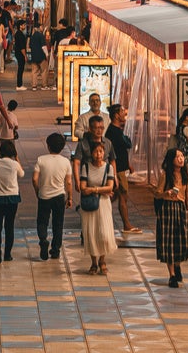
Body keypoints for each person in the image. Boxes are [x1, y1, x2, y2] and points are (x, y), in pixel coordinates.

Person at [154, 145, 188, 288]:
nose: (181, 159)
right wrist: (166, 194)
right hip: (167, 209)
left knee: (183, 241)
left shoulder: (187, 175)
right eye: (178, 156)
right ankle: (172, 275)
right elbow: (157, 194)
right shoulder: (165, 175)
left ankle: (177, 265)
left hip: (180, 209)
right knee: (169, 242)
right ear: (171, 159)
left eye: (182, 156)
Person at [77, 139, 117, 275]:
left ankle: (102, 260)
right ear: (91, 153)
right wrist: (102, 189)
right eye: (96, 151)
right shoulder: (86, 167)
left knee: (104, 234)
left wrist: (94, 189)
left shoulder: (108, 168)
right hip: (90, 206)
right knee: (91, 233)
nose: (99, 154)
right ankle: (94, 262)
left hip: (104, 204)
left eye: (101, 151)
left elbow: (110, 187)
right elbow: (83, 187)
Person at [33, 131, 72, 262]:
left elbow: (34, 179)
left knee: (42, 221)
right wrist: (70, 197)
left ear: (48, 146)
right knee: (58, 223)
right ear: (62, 147)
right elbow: (69, 182)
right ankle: (55, 249)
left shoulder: (41, 159)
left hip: (44, 195)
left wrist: (37, 191)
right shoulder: (66, 162)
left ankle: (43, 239)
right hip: (59, 196)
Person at [105, 103, 135, 233]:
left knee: (115, 195)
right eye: (122, 111)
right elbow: (125, 145)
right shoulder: (113, 132)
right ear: (116, 115)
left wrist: (128, 164)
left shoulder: (116, 130)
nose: (124, 113)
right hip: (118, 169)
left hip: (121, 167)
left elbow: (124, 147)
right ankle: (126, 225)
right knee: (122, 195)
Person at [28, 20, 47, 90]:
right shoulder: (41, 35)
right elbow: (44, 46)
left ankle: (34, 86)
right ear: (39, 27)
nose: (42, 28)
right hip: (41, 56)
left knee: (34, 71)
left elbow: (30, 46)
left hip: (34, 56)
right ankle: (44, 85)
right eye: (41, 26)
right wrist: (46, 55)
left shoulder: (32, 36)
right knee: (44, 71)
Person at [12, 20, 28, 90]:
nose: (25, 26)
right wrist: (25, 56)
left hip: (18, 52)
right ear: (20, 26)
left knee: (20, 69)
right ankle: (19, 85)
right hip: (20, 53)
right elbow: (22, 47)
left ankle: (19, 84)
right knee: (21, 69)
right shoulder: (20, 34)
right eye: (24, 25)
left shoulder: (17, 33)